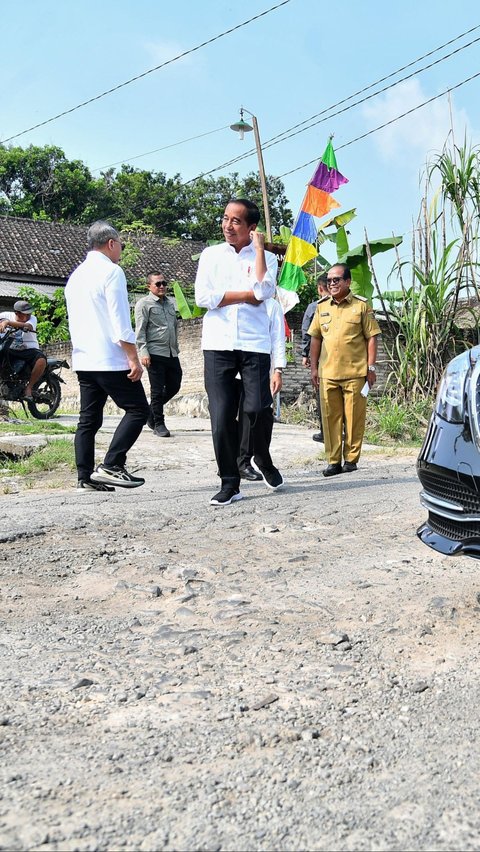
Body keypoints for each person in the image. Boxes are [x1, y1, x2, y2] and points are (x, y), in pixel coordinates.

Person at [195, 198, 282, 506]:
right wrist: (246, 295)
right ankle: (229, 482)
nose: (227, 225)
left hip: (253, 344)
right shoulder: (210, 255)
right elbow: (203, 297)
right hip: (217, 343)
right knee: (220, 417)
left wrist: (259, 249)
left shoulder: (266, 258)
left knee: (258, 409)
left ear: (251, 228)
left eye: (235, 221)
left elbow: (264, 292)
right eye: (225, 218)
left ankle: (262, 456)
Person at [65, 220, 150, 492]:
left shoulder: (75, 276)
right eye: (120, 244)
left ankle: (85, 478)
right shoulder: (112, 272)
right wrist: (133, 358)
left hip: (84, 358)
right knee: (139, 410)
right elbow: (120, 321)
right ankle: (112, 465)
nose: (121, 249)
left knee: (88, 419)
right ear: (111, 244)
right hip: (109, 359)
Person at [309, 263, 381, 477]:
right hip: (328, 374)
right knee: (330, 418)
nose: (331, 283)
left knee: (354, 417)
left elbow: (372, 337)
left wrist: (371, 367)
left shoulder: (361, 306)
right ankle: (333, 461)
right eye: (329, 280)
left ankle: (350, 459)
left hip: (356, 374)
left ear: (348, 282)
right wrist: (314, 367)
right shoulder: (322, 307)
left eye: (336, 280)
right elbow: (315, 338)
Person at [237, 296, 287, 481]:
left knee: (259, 415)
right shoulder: (231, 301)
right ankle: (232, 463)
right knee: (228, 417)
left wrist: (278, 370)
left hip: (258, 370)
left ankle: (254, 459)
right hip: (230, 370)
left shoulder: (271, 306)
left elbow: (278, 338)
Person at [134, 272, 182, 438]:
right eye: (158, 284)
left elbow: (174, 327)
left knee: (175, 385)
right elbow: (140, 330)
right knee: (157, 389)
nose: (162, 286)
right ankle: (158, 424)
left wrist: (176, 348)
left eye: (164, 283)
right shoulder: (143, 304)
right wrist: (143, 351)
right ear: (149, 286)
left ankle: (150, 412)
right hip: (154, 353)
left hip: (171, 352)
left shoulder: (169, 304)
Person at [301, 274, 329, 442]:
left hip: (320, 358)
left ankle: (326, 433)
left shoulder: (314, 307)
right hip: (342, 358)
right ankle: (344, 432)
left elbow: (307, 332)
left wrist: (305, 354)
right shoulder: (343, 306)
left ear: (320, 288)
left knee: (322, 395)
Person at [0, 300, 47, 399]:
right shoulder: (5, 315)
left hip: (29, 349)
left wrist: (8, 323)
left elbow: (28, 326)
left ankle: (29, 388)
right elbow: (2, 319)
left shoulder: (32, 319)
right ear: (16, 313)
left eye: (28, 314)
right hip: (9, 349)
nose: (27, 317)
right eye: (24, 314)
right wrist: (2, 322)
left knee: (41, 360)